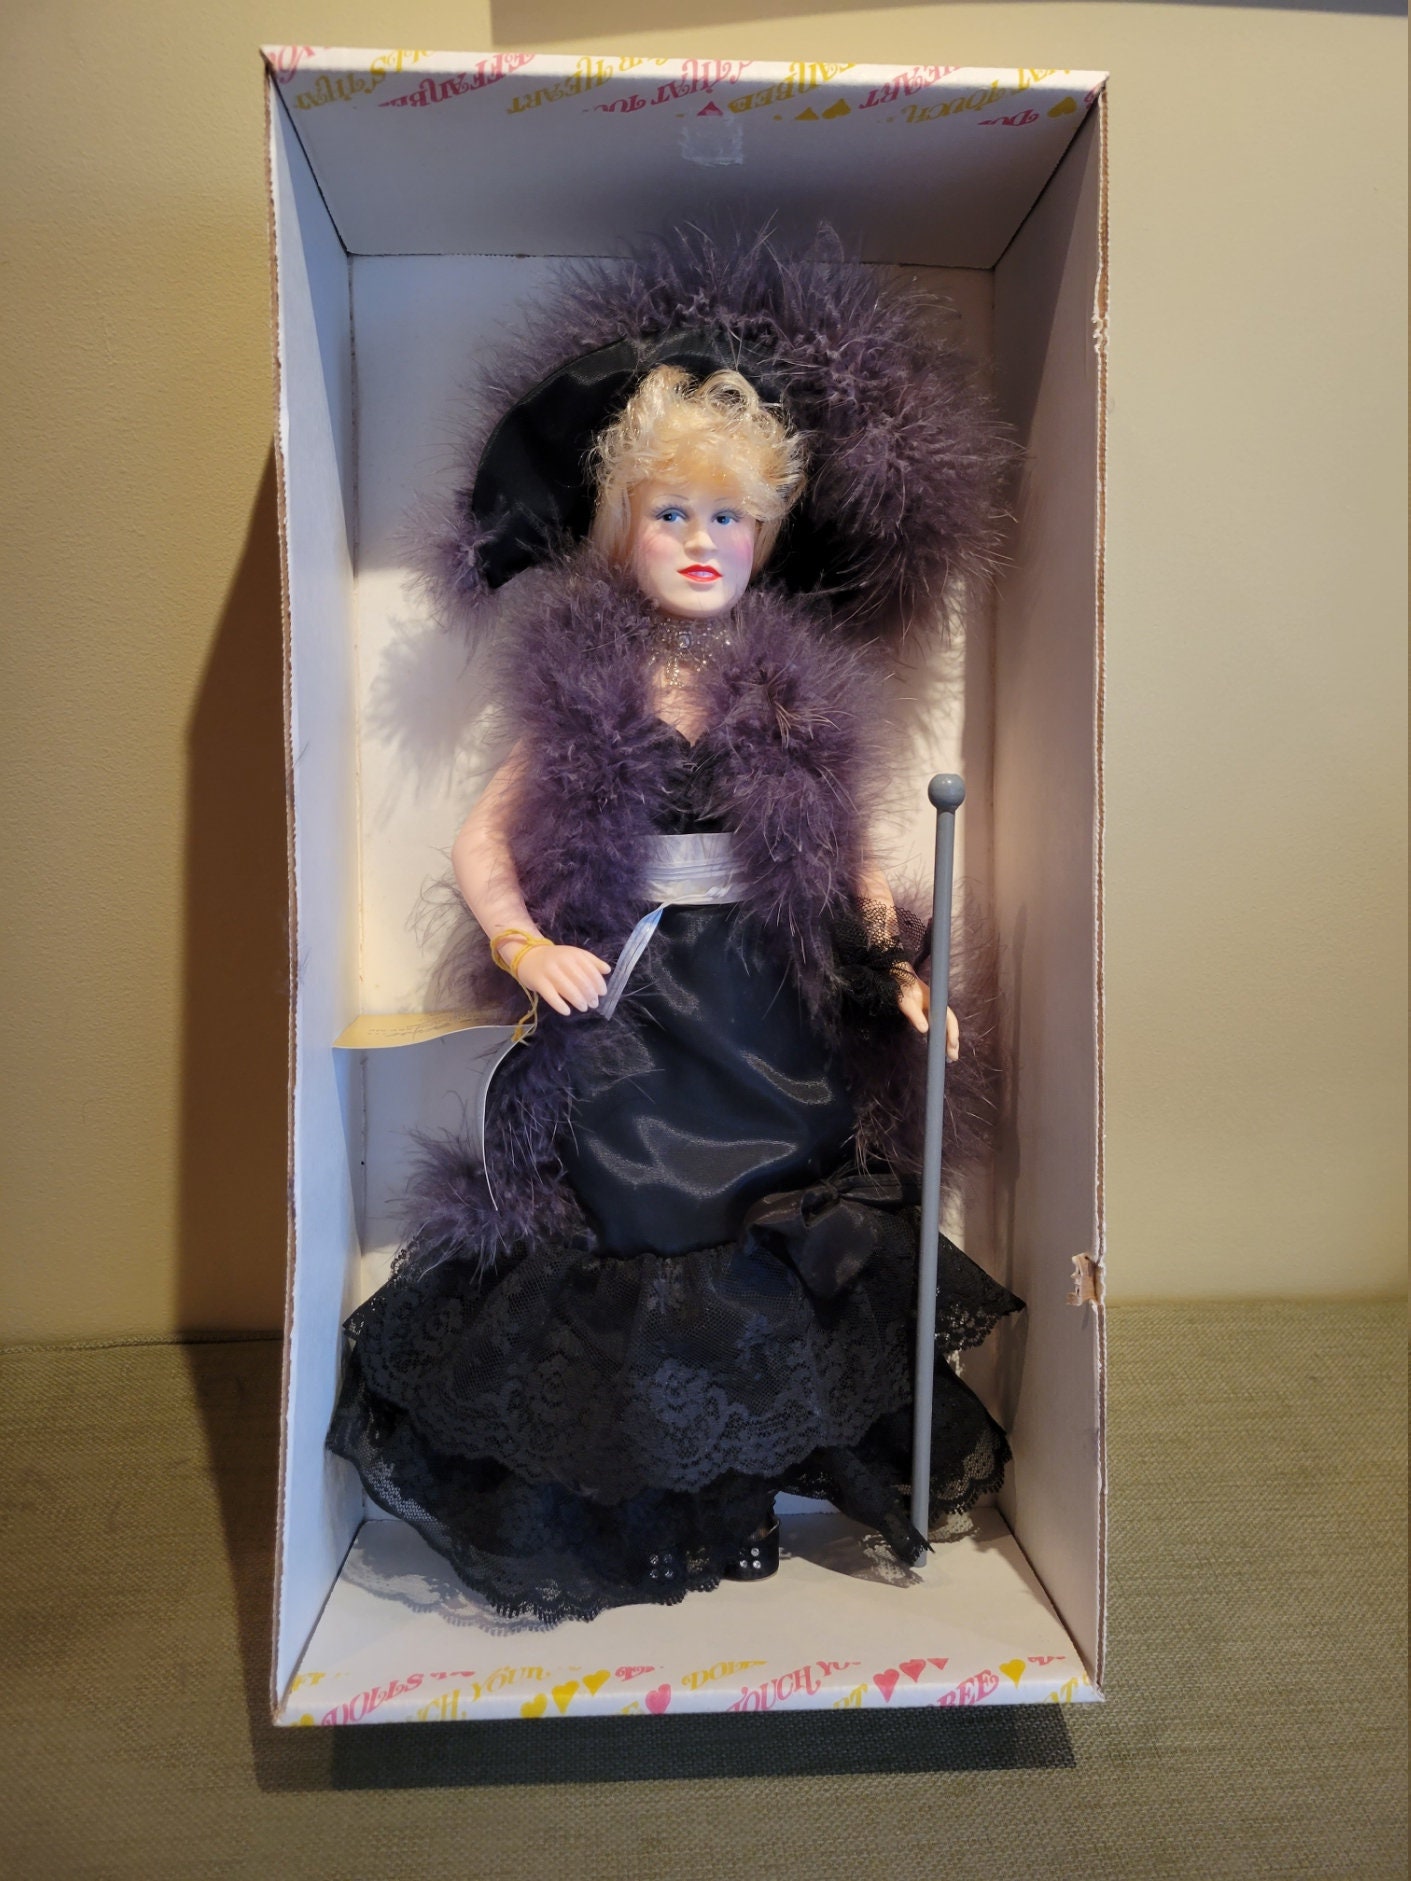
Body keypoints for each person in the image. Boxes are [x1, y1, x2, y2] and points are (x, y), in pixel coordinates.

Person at [328, 229, 1022, 1625]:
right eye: (672, 515)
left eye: (731, 518)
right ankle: (645, 1490)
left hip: (768, 1006)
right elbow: (481, 845)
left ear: (768, 534)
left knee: (782, 1212)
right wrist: (524, 946)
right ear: (619, 525)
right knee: (638, 1225)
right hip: (633, 1009)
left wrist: (896, 968)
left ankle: (764, 1472)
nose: (704, 543)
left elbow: (851, 853)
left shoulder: (796, 688)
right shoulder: (584, 685)